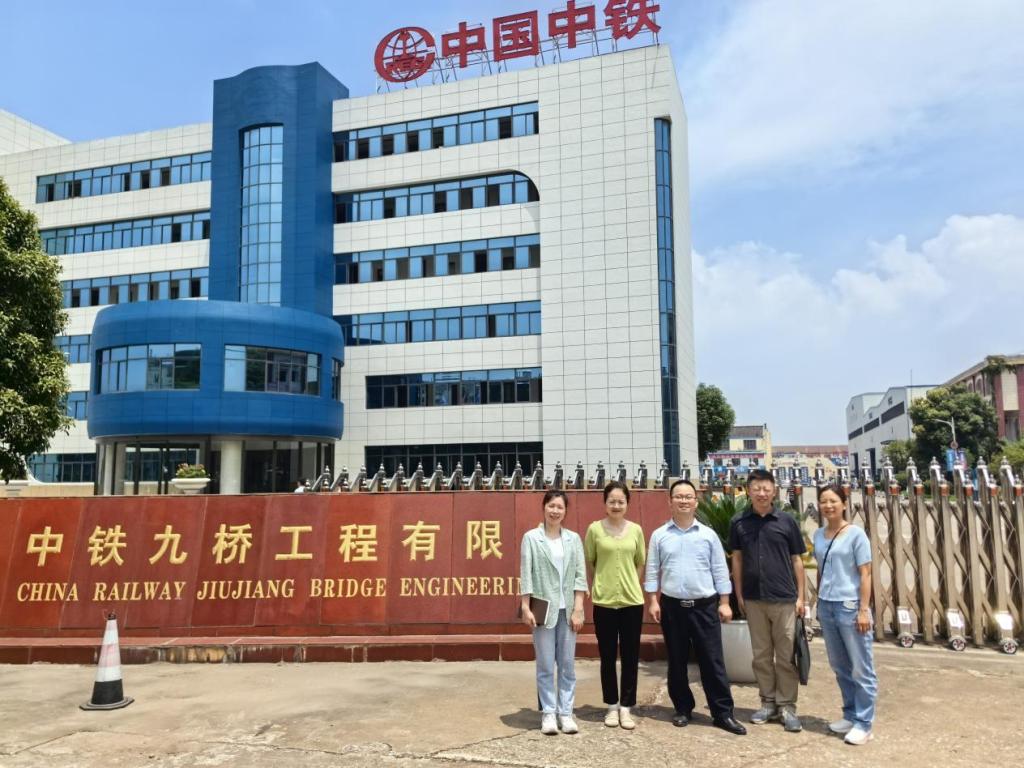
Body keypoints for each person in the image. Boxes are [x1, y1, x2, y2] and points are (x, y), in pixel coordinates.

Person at [645, 479, 747, 735]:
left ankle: (722, 713)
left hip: (704, 607)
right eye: (678, 496)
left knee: (712, 661)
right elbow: (653, 569)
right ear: (670, 501)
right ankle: (682, 708)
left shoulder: (708, 535)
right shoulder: (659, 535)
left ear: (696, 501)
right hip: (672, 607)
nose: (683, 500)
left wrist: (725, 602)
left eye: (688, 496)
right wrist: (653, 600)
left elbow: (720, 570)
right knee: (677, 660)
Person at [729, 467, 806, 732]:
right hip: (753, 599)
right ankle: (768, 703)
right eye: (756, 489)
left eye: (766, 488)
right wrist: (739, 594)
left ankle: (787, 706)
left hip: (784, 599)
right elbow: (737, 559)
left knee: (785, 657)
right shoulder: (739, 522)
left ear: (774, 491)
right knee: (761, 656)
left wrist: (801, 597)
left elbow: (797, 560)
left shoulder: (787, 521)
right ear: (748, 492)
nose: (761, 493)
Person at [813, 484, 878, 745]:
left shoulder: (856, 534)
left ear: (843, 503)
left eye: (833, 501)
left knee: (861, 668)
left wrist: (864, 610)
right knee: (840, 666)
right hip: (827, 605)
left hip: (850, 606)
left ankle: (864, 723)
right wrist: (817, 601)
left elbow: (866, 573)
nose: (828, 506)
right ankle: (850, 715)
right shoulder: (818, 535)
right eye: (823, 501)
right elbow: (821, 570)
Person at [520, 490, 587, 735]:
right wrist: (525, 607)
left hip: (567, 610)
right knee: (546, 664)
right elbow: (526, 573)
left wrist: (578, 608)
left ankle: (566, 713)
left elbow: (580, 575)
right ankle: (548, 713)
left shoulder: (573, 539)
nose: (555, 511)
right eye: (551, 506)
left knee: (567, 665)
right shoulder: (531, 538)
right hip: (543, 608)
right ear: (544, 507)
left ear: (565, 511)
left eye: (560, 507)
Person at [584, 480, 646, 730]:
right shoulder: (594, 530)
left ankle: (626, 707)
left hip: (632, 602)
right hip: (604, 602)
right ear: (605, 503)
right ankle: (611, 705)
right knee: (607, 657)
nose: (616, 505)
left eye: (621, 501)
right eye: (612, 501)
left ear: (627, 503)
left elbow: (640, 562)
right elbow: (591, 562)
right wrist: (602, 584)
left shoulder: (636, 530)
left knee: (630, 657)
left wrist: (631, 584)